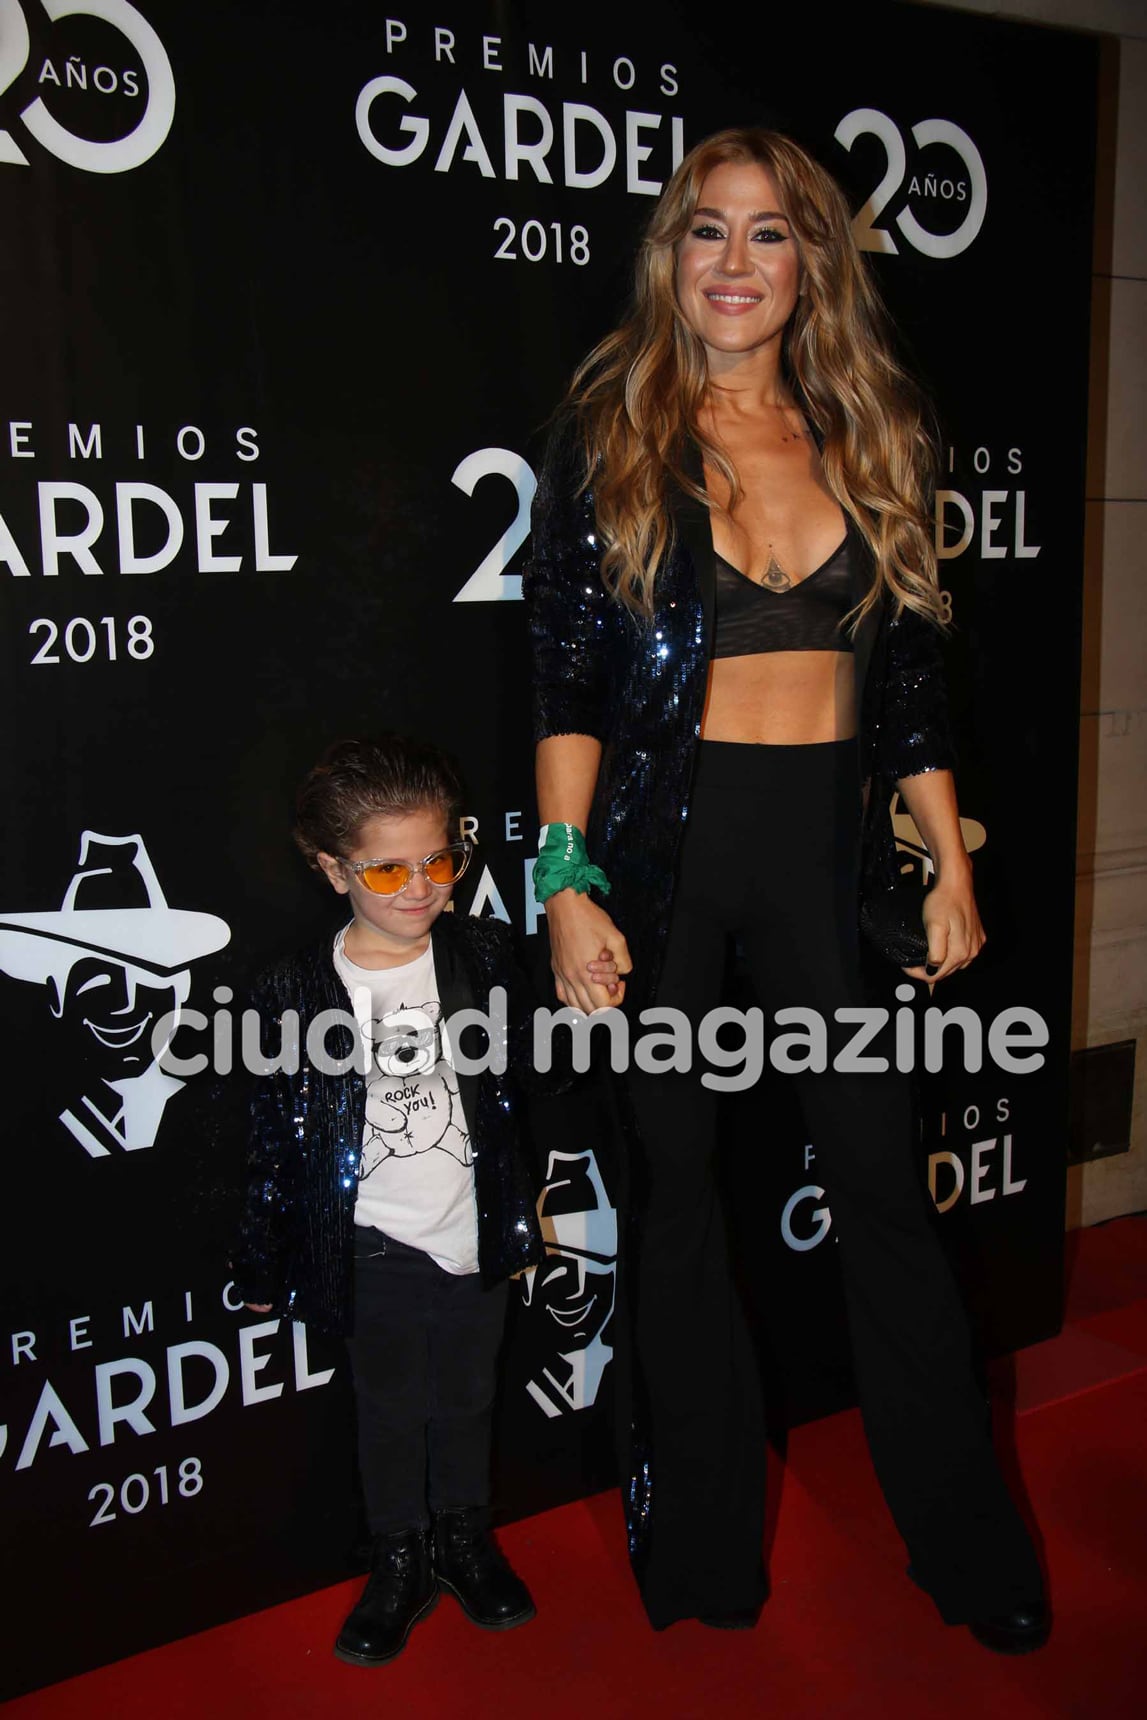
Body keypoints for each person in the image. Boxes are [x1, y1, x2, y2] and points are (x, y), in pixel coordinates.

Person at [524, 128, 1049, 1652]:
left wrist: (945, 861)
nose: (735, 265)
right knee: (673, 1209)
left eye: (768, 234)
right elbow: (560, 671)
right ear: (667, 258)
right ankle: (700, 1554)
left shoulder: (864, 428)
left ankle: (966, 1551)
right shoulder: (611, 430)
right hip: (665, 860)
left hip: (823, 857)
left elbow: (904, 699)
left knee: (885, 1196)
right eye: (705, 232)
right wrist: (566, 880)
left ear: (811, 258)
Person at [231, 735, 583, 1665]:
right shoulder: (293, 993)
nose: (418, 888)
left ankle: (465, 1540)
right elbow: (273, 1140)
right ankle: (399, 1559)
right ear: (329, 868)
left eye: (436, 860)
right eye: (386, 870)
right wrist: (262, 1260)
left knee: (468, 1396)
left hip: (477, 1227)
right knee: (390, 1408)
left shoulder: (486, 954)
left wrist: (587, 1016)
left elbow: (535, 1079)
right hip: (371, 1241)